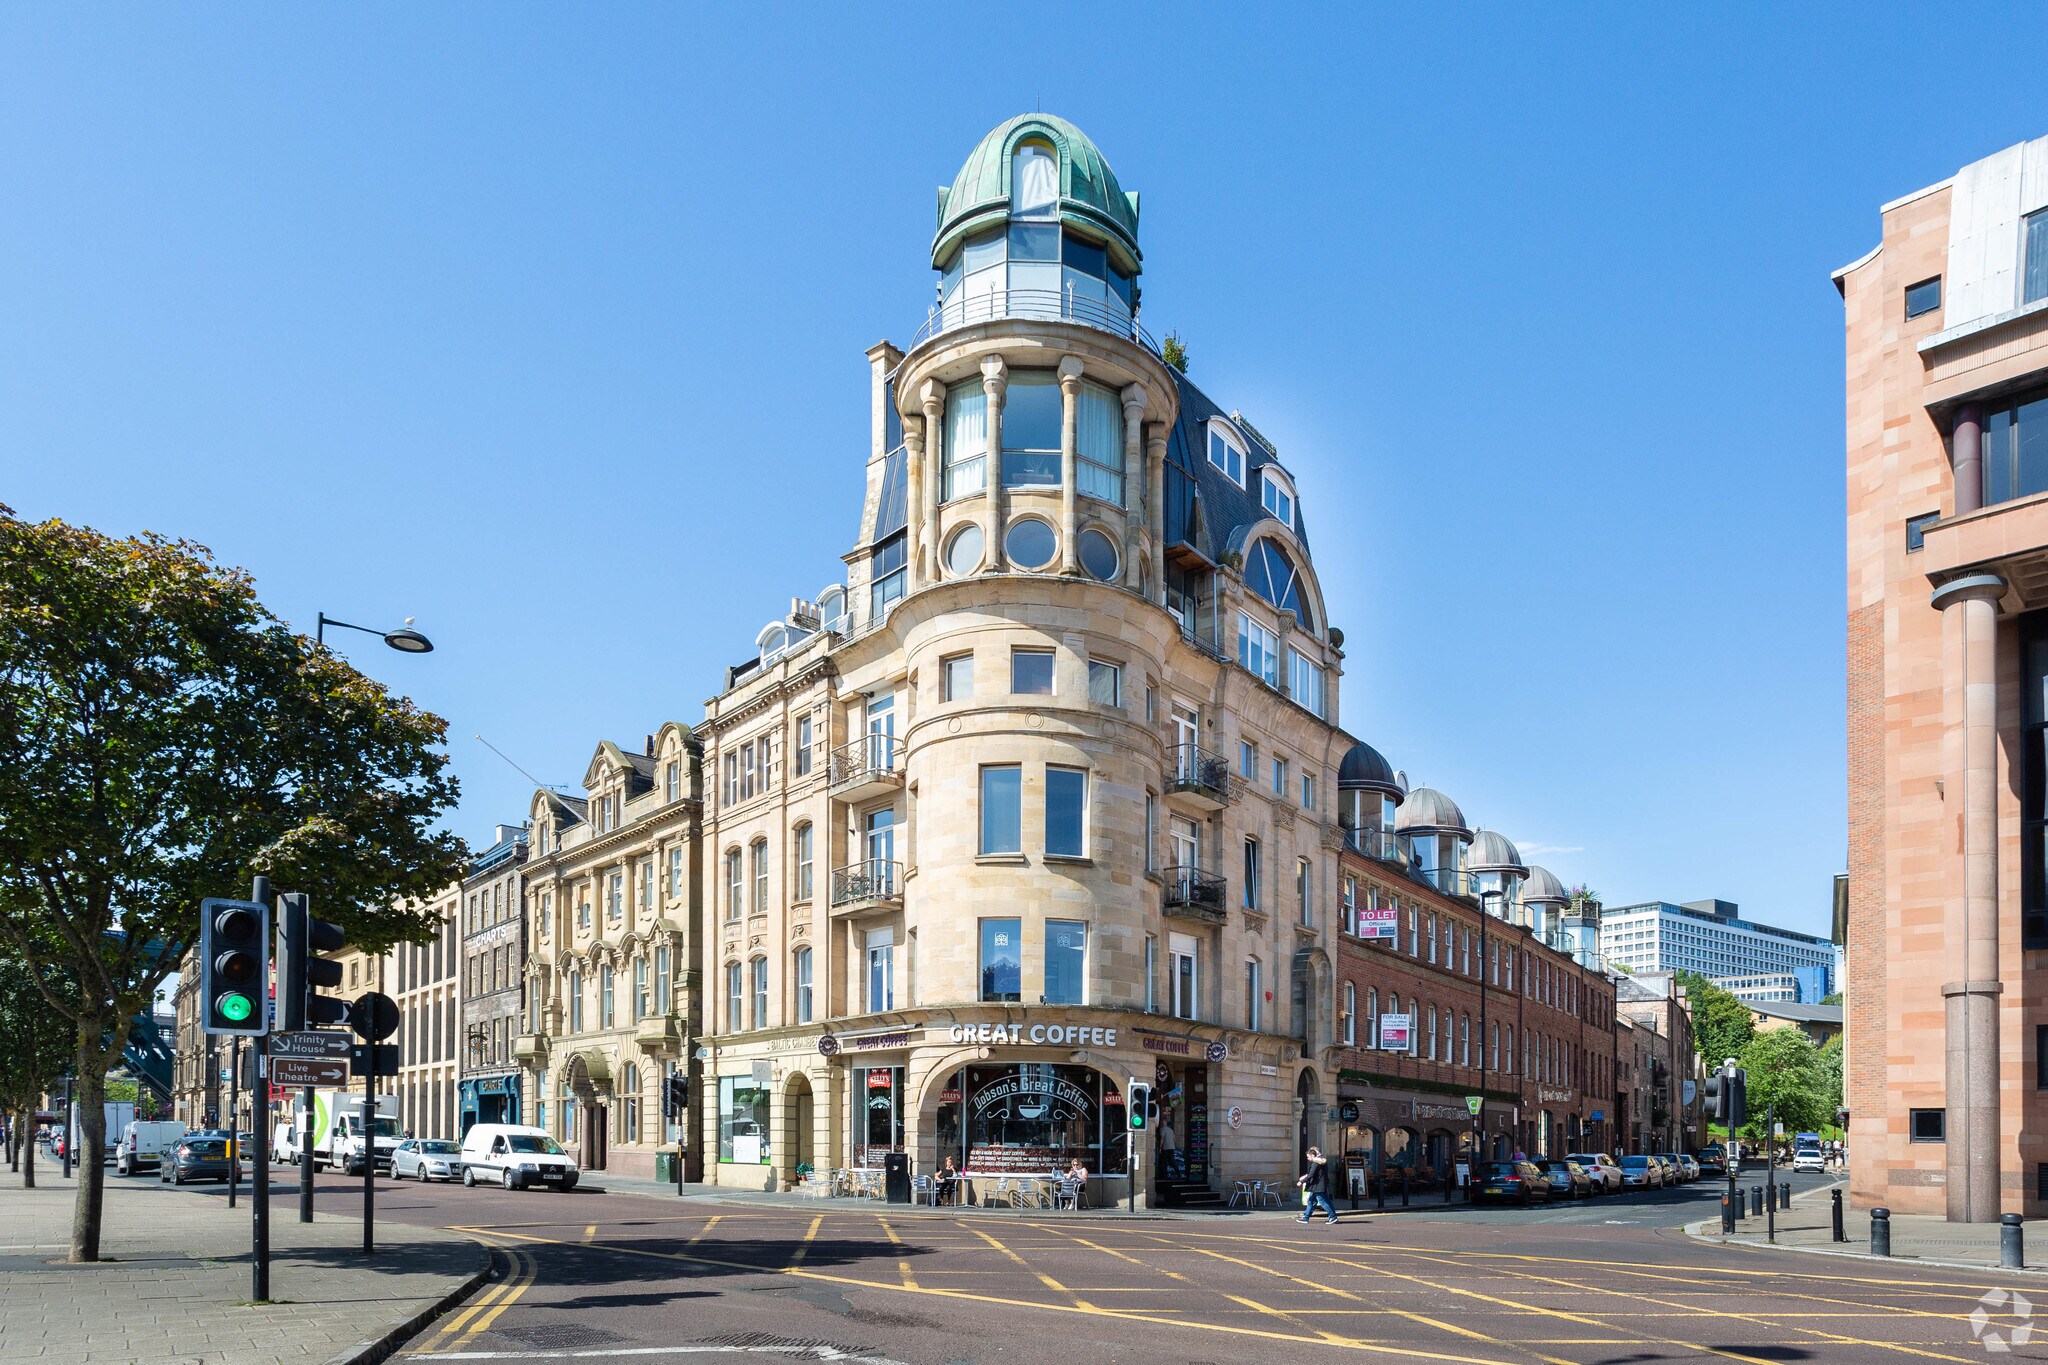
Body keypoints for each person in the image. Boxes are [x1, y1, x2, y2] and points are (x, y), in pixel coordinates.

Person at [1298, 1146, 1336, 1225]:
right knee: (1312, 1201)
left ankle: (1332, 1217)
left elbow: (1311, 1175)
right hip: (1318, 1186)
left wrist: (1301, 1181)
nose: (1308, 1159)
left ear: (1313, 1154)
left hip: (1318, 1186)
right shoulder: (1318, 1161)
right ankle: (1306, 1217)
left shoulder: (1317, 1162)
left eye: (1308, 1156)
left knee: (1323, 1202)